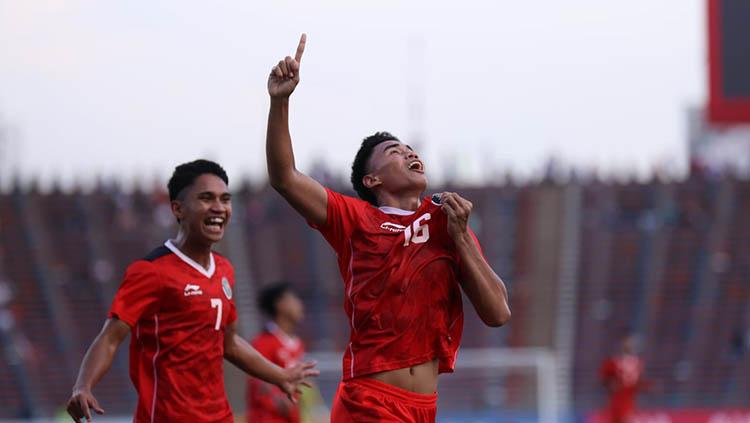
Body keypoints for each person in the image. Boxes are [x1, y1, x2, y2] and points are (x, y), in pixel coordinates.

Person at [265, 34, 511, 422]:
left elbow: (498, 313)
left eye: (411, 148)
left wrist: (462, 237)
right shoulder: (355, 220)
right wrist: (280, 101)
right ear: (372, 181)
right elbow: (285, 177)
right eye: (394, 152)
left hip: (423, 409)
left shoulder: (449, 223)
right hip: (370, 401)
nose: (410, 153)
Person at [65, 159, 318, 422]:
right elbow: (110, 338)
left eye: (225, 199)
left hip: (220, 416)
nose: (219, 207)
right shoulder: (151, 271)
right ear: (178, 209)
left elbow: (228, 343)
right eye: (206, 198)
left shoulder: (224, 270)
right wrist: (83, 385)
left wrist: (280, 375)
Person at [246, 282, 306, 423]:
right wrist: (276, 399)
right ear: (281, 304)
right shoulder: (263, 342)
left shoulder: (298, 344)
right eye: (294, 299)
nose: (300, 304)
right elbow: (257, 380)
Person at [599, 333, 649, 423]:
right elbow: (604, 378)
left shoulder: (637, 362)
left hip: (628, 403)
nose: (628, 345)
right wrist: (609, 384)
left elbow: (637, 383)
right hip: (615, 402)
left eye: (630, 342)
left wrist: (646, 386)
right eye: (626, 342)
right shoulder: (614, 361)